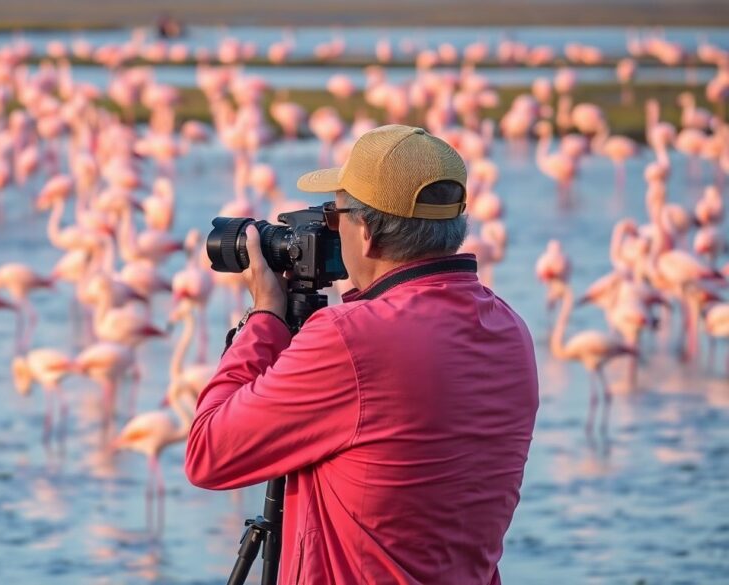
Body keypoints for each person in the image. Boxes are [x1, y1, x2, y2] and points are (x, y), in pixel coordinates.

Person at [185, 125, 539, 584]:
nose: (330, 230)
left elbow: (208, 453)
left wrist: (266, 318)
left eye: (334, 217)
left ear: (366, 233)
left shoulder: (349, 340)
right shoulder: (509, 330)